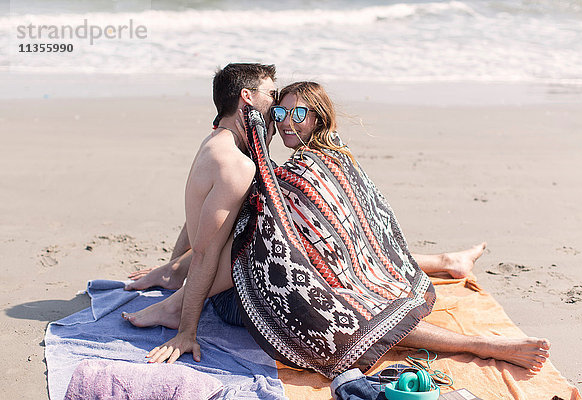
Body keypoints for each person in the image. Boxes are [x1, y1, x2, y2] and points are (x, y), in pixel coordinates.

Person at [125, 81, 550, 375]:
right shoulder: (331, 153)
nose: (286, 121)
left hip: (338, 285)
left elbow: (343, 231)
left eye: (298, 112)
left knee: (356, 319)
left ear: (317, 117)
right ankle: (445, 261)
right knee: (248, 216)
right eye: (279, 111)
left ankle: (481, 344)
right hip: (342, 267)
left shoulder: (307, 168)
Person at [121, 63, 278, 363]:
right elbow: (206, 252)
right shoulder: (237, 166)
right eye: (272, 94)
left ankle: (173, 277)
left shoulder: (217, 141)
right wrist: (185, 333)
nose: (276, 102)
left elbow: (202, 222)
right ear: (247, 96)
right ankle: (174, 306)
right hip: (229, 303)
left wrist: (173, 268)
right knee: (262, 232)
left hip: (200, 280)